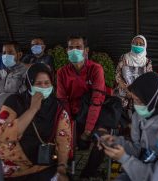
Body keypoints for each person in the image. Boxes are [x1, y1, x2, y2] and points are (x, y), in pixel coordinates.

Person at [99, 72, 158, 181]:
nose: (136, 105)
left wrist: (124, 159)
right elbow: (139, 150)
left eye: (139, 101)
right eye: (134, 100)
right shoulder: (139, 117)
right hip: (140, 170)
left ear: (154, 100)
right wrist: (116, 142)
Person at [0, 63, 71, 180]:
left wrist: (62, 168)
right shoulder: (14, 102)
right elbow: (5, 135)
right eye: (38, 84)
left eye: (47, 83)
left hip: (39, 166)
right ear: (29, 84)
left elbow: (63, 141)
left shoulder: (57, 109)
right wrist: (32, 109)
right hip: (7, 166)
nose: (43, 87)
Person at [56, 35, 106, 178]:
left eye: (78, 47)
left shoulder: (96, 69)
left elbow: (97, 100)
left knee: (102, 137)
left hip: (93, 115)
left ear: (86, 50)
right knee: (62, 136)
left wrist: (88, 129)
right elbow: (62, 100)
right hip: (72, 115)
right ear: (67, 50)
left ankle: (88, 173)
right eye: (71, 48)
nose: (74, 50)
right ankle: (65, 169)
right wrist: (69, 125)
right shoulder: (62, 72)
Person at [0, 41, 27, 120]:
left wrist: (0, 117)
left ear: (19, 55)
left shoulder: (25, 74)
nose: (6, 55)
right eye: (4, 53)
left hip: (8, 116)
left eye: (10, 53)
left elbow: (23, 101)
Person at [115, 35, 152, 109]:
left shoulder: (147, 62)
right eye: (135, 43)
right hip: (124, 94)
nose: (138, 45)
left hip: (140, 96)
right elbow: (118, 75)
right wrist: (127, 91)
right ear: (132, 44)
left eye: (141, 44)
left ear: (145, 46)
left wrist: (136, 93)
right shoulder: (124, 58)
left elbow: (149, 80)